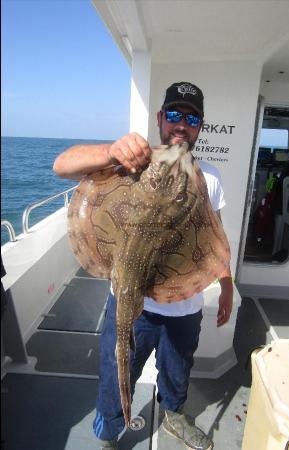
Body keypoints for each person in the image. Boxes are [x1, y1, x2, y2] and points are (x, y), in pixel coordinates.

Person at [53, 81, 233, 450]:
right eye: (173, 115)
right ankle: (108, 431)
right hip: (129, 297)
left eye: (191, 117)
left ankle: (174, 417)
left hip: (185, 302)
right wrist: (111, 150)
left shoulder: (209, 176)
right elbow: (62, 165)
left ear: (200, 126)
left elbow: (213, 237)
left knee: (178, 367)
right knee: (118, 364)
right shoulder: (131, 162)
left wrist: (226, 282)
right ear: (160, 119)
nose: (181, 124)